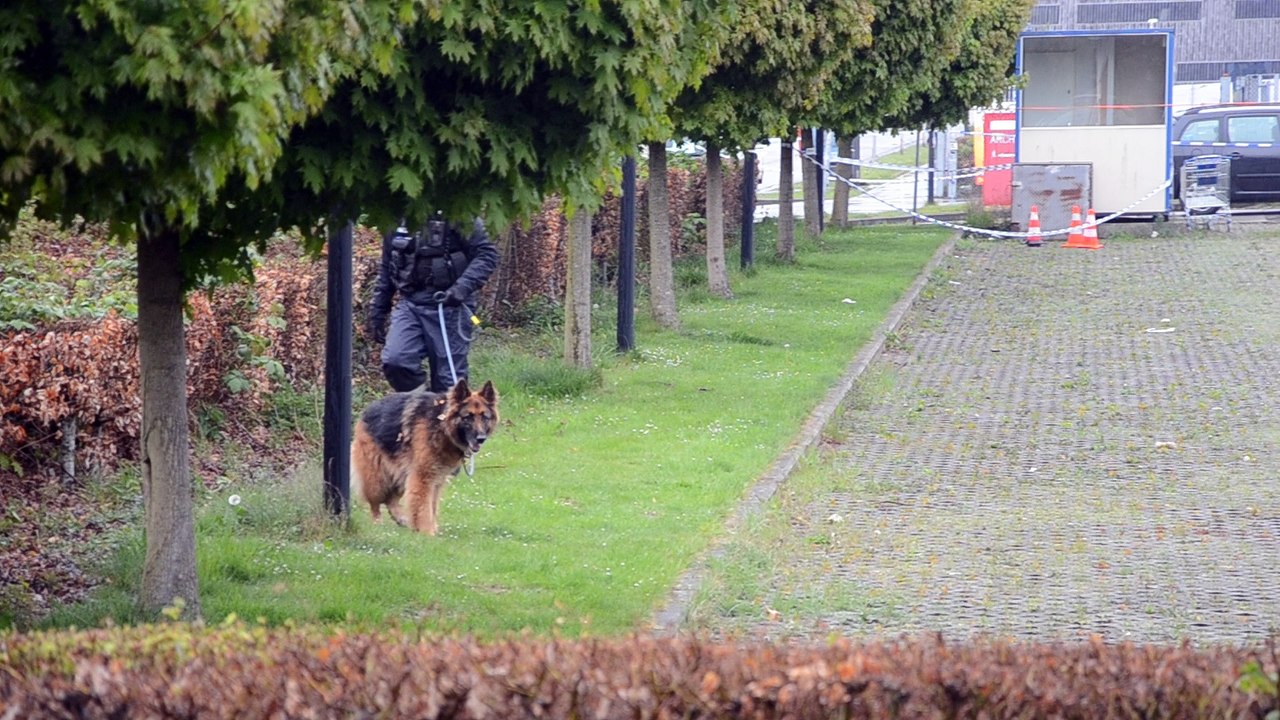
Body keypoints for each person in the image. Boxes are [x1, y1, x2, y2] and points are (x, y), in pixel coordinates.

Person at [366, 214, 499, 392]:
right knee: (396, 362)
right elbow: (387, 267)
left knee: (449, 383)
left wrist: (461, 288)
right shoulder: (396, 216)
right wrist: (378, 311)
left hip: (450, 307)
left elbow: (487, 254)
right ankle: (424, 405)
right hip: (410, 304)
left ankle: (446, 415)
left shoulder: (457, 212)